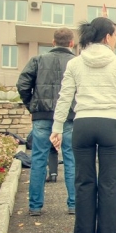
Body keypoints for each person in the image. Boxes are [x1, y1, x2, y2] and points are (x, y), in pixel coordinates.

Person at [50, 17, 116, 233]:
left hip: (82, 125)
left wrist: (57, 128)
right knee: (109, 182)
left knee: (83, 181)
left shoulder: (75, 64)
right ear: (107, 37)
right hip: (110, 127)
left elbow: (65, 98)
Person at [17, 27, 77, 216]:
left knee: (38, 159)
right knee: (71, 159)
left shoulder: (38, 60)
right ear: (71, 43)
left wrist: (32, 105)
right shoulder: (76, 63)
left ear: (53, 43)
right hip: (69, 117)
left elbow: (23, 84)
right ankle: (73, 204)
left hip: (41, 115)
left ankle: (35, 206)